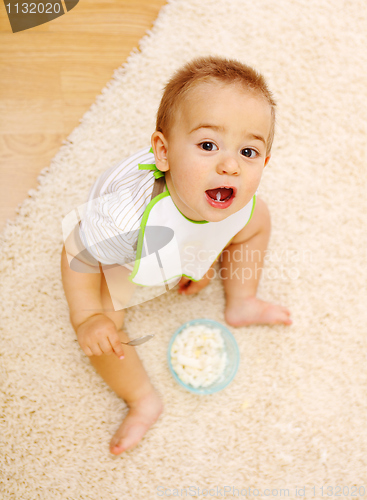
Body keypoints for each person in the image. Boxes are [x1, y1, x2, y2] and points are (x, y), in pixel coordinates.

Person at [61, 56, 292, 456]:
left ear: (265, 162)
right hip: (124, 253)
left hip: (181, 228)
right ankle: (141, 399)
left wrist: (199, 262)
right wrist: (87, 316)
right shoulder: (123, 219)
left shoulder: (229, 195)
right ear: (163, 153)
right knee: (104, 336)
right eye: (207, 145)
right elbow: (74, 249)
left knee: (258, 220)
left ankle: (242, 301)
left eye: (249, 152)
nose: (230, 165)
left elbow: (215, 227)